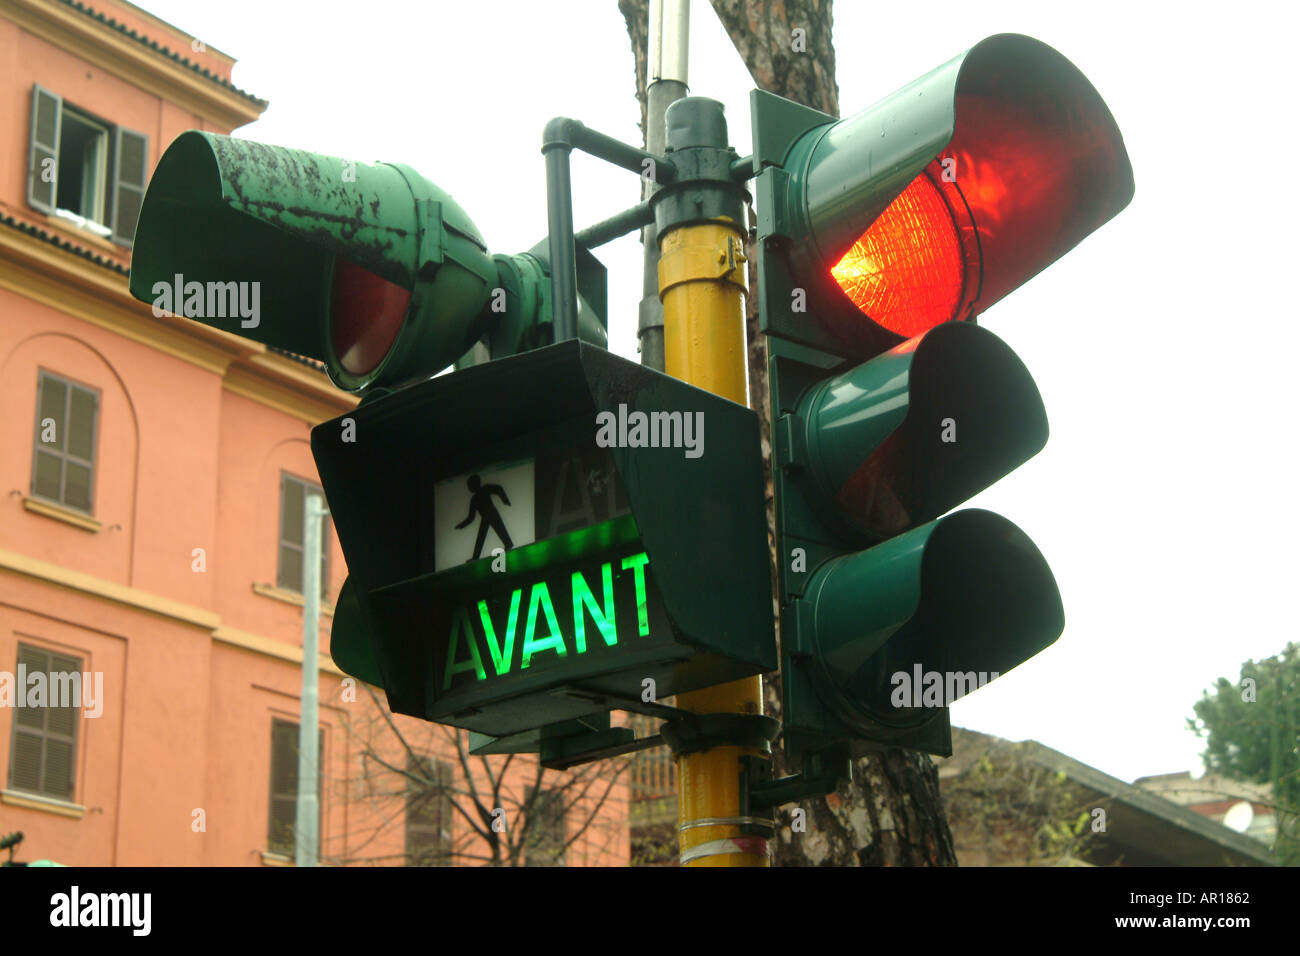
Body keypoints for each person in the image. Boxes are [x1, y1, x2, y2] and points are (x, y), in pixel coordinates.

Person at [455, 474, 513, 561]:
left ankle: (508, 544)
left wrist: (505, 500)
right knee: (481, 537)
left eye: (469, 485)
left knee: (498, 531)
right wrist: (461, 525)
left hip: (492, 514)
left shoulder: (484, 490)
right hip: (486, 517)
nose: (468, 488)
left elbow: (498, 489)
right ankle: (476, 557)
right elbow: (471, 517)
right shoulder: (474, 499)